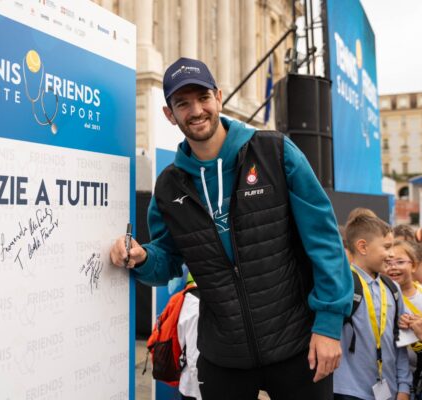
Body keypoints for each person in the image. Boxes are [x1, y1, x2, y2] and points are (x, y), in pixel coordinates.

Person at [110, 57, 352, 399]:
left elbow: (324, 240)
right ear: (170, 114)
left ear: (219, 97)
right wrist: (141, 256)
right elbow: (166, 261)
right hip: (223, 354)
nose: (196, 110)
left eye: (203, 98)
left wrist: (328, 324)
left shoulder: (275, 151)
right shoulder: (169, 186)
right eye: (183, 103)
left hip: (297, 343)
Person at [334, 215, 410, 400]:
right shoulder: (341, 285)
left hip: (390, 391)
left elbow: (400, 342)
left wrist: (404, 387)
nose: (392, 254)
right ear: (363, 247)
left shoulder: (393, 289)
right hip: (349, 391)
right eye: (386, 247)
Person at [388, 240, 422, 398]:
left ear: (414, 266)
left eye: (400, 262)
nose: (393, 267)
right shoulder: (383, 299)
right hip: (395, 376)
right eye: (388, 262)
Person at [178, 273, 201, 400]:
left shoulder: (190, 298)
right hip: (195, 389)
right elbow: (194, 355)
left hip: (192, 385)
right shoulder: (196, 303)